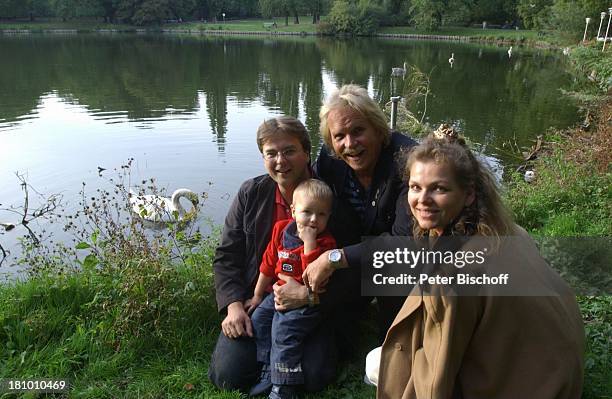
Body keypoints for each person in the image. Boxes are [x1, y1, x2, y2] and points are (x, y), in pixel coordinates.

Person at [374, 130, 585, 398]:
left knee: (378, 362)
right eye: (416, 187)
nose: (422, 200)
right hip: (562, 377)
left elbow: (434, 382)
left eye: (439, 188)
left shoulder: (454, 277)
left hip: (531, 389)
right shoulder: (510, 231)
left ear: (469, 194)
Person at [208, 117, 336, 393]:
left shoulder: (327, 196)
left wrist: (310, 296)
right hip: (262, 300)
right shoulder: (250, 193)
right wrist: (233, 305)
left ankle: (280, 375)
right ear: (263, 157)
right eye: (271, 153)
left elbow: (347, 265)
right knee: (227, 376)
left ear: (306, 152)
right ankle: (268, 367)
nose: (281, 161)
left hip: (313, 306)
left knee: (312, 377)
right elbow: (226, 256)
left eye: (289, 151)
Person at [303, 84, 417, 338]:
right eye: (339, 136)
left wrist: (333, 258)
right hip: (356, 256)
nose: (349, 144)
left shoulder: (407, 161)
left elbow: (404, 243)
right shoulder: (330, 159)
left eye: (358, 131)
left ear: (377, 128)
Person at [247, 179, 336, 399]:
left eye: (322, 214)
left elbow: (312, 278)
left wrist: (309, 244)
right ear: (294, 211)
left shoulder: (326, 244)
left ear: (329, 217)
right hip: (278, 293)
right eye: (307, 212)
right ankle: (269, 368)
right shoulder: (280, 229)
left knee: (284, 333)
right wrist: (258, 295)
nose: (314, 220)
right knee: (260, 320)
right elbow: (268, 263)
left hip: (306, 302)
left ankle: (284, 387)